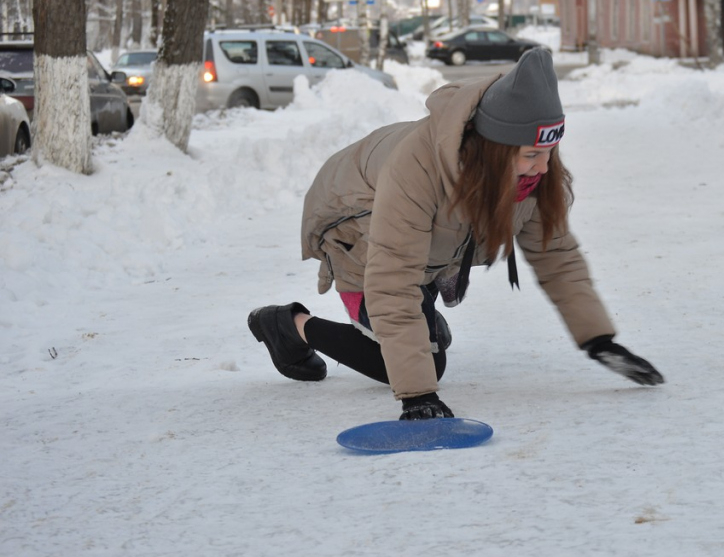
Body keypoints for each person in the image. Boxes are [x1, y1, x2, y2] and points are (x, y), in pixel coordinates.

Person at [247, 48, 663, 420]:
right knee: (416, 361)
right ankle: (289, 325)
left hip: (425, 246)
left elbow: (557, 255)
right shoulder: (419, 168)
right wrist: (417, 394)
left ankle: (417, 327)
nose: (542, 166)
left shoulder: (528, 176)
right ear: (495, 149)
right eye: (532, 155)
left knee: (424, 339)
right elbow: (392, 278)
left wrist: (598, 339)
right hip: (356, 228)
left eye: (550, 152)